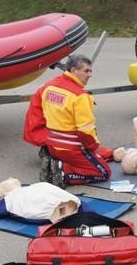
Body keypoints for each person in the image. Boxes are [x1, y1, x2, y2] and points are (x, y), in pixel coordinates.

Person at [23, 55, 111, 188]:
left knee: (103, 155)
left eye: (90, 71)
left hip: (52, 145)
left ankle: (55, 162)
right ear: (74, 70)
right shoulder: (80, 96)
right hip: (71, 148)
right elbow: (85, 132)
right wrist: (93, 148)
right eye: (86, 71)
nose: (90, 75)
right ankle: (62, 172)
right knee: (103, 172)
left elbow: (36, 111)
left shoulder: (48, 86)